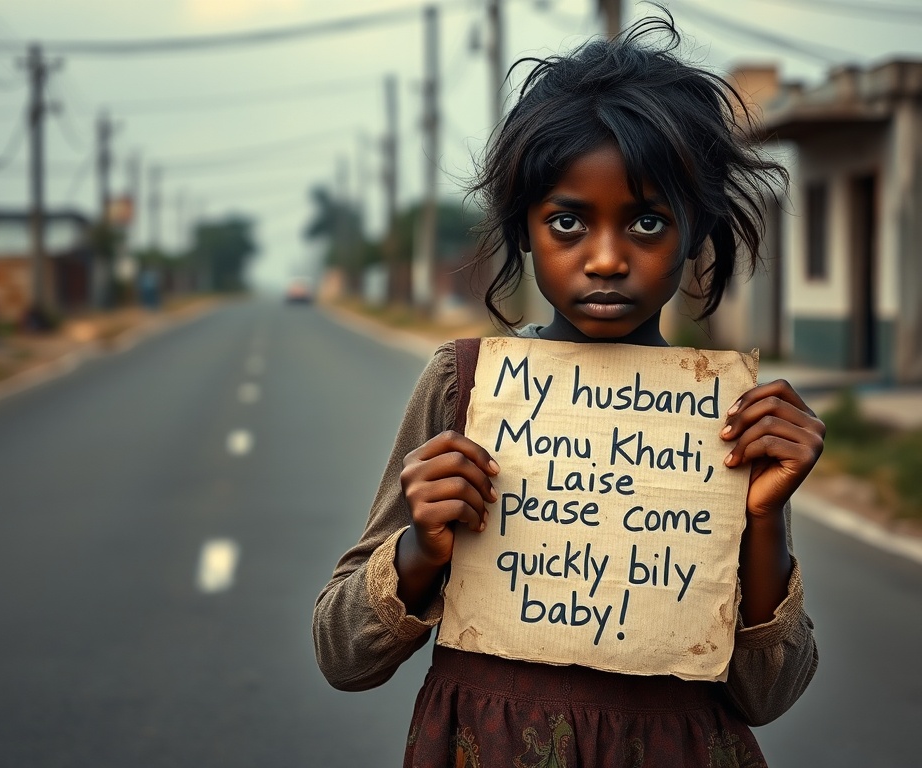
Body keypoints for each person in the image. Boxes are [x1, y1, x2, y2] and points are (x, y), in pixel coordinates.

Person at [313, 12, 823, 767]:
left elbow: (765, 695)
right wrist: (420, 547)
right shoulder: (464, 386)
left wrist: (766, 518)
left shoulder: (728, 419)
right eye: (568, 222)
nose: (608, 258)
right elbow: (343, 655)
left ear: (694, 231)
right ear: (523, 229)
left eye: (648, 222)